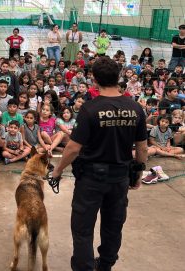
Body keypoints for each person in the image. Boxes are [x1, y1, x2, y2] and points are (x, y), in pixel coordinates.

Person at [51, 57, 148, 271]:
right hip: (120, 177)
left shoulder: (89, 109)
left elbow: (73, 148)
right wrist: (138, 174)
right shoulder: (135, 108)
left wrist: (57, 171)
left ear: (94, 79)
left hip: (91, 178)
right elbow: (142, 148)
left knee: (83, 229)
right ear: (119, 77)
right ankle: (105, 266)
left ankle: (84, 267)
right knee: (113, 226)